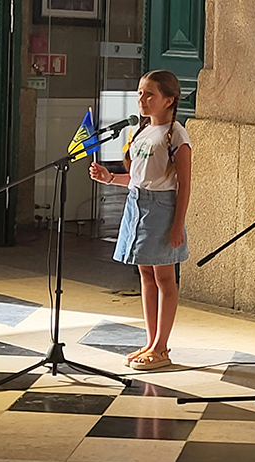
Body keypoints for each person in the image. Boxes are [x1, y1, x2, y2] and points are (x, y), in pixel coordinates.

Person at [89, 70, 192, 370]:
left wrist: (177, 225)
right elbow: (138, 178)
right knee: (145, 273)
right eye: (139, 93)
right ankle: (150, 341)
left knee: (164, 278)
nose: (142, 99)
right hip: (137, 205)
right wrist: (110, 178)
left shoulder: (176, 135)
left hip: (161, 208)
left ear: (169, 100)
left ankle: (161, 346)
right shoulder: (143, 131)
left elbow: (184, 185)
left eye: (149, 94)